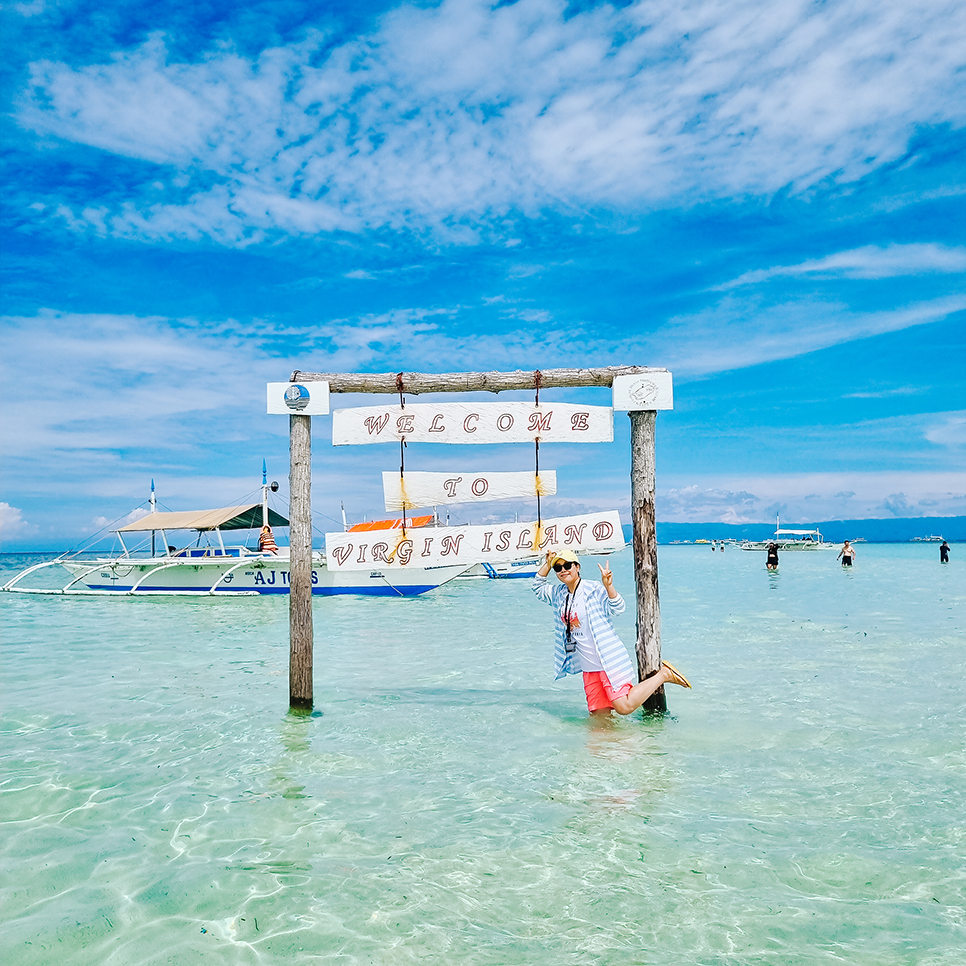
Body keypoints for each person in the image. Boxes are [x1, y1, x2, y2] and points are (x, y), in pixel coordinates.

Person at [532, 548, 691, 716]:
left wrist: (608, 586)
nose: (563, 570)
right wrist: (547, 564)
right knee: (600, 719)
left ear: (577, 567)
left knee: (624, 707)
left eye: (567, 565)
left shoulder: (593, 589)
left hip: (607, 660)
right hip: (589, 667)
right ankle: (615, 743)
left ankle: (664, 674)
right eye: (558, 568)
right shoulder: (559, 594)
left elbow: (618, 608)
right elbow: (537, 586)